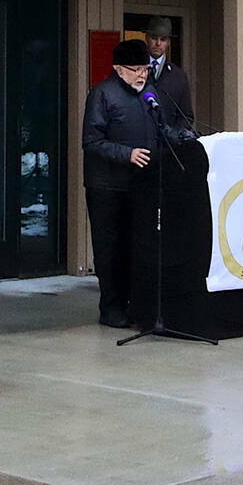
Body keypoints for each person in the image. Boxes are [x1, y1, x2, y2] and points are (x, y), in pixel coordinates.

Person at [81, 38, 158, 327]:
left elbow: (160, 128)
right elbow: (91, 142)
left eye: (146, 69)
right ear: (118, 68)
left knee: (137, 247)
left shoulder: (149, 94)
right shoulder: (102, 94)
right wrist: (127, 154)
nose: (142, 75)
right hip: (107, 187)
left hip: (141, 185)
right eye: (136, 69)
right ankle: (111, 308)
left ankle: (135, 304)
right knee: (110, 248)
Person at [142, 18, 196, 130]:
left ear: (168, 43)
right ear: (146, 38)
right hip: (139, 141)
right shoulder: (134, 70)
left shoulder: (179, 76)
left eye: (163, 39)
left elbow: (186, 117)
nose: (158, 43)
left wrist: (173, 135)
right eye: (154, 38)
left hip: (168, 144)